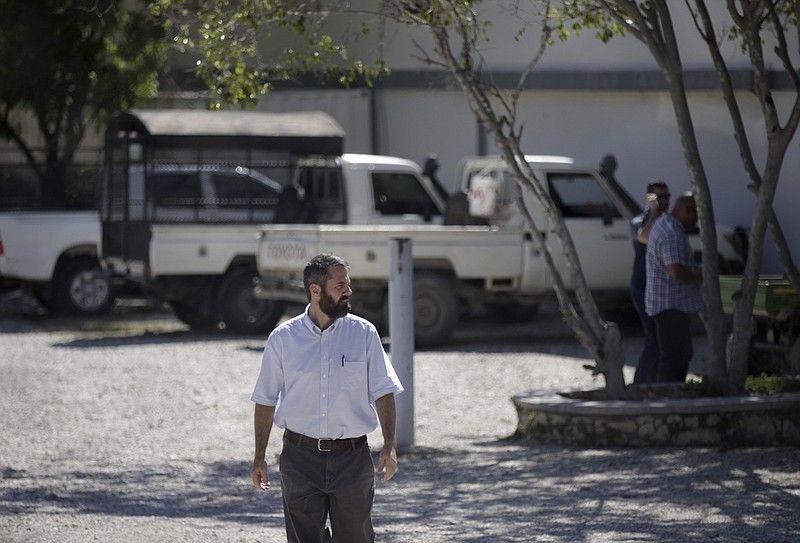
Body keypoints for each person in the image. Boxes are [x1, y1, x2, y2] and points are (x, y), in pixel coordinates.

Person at [250, 253, 404, 543]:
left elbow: (384, 391)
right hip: (299, 458)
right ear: (315, 291)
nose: (348, 291)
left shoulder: (364, 333)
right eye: (339, 285)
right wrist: (259, 456)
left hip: (352, 458)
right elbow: (265, 400)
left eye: (348, 284)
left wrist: (390, 445)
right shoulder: (283, 338)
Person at [645, 193, 703, 383]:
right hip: (671, 306)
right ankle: (668, 398)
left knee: (677, 354)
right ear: (687, 210)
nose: (697, 222)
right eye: (697, 216)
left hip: (667, 305)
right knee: (675, 359)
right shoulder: (671, 233)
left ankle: (666, 395)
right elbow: (676, 272)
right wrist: (699, 276)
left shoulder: (664, 224)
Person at [630, 180, 671, 383]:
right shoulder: (640, 221)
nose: (664, 201)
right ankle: (640, 384)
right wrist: (654, 212)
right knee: (653, 340)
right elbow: (644, 237)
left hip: (663, 289)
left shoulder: (670, 222)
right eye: (659, 197)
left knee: (664, 341)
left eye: (666, 197)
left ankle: (655, 382)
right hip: (643, 287)